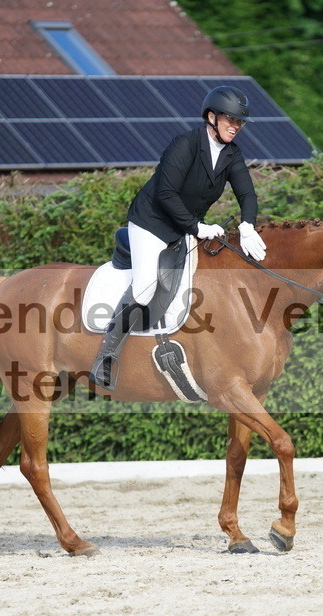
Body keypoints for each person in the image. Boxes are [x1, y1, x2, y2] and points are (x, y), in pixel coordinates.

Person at [89, 85, 267, 390]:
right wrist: (197, 227)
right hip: (151, 223)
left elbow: (246, 193)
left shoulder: (232, 155)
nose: (235, 127)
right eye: (230, 120)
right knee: (145, 288)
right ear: (211, 117)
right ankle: (106, 356)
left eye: (239, 123)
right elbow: (166, 193)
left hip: (183, 228)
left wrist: (248, 224)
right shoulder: (184, 144)